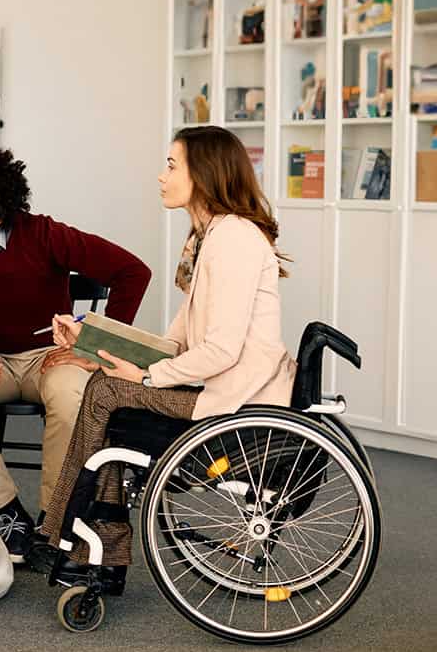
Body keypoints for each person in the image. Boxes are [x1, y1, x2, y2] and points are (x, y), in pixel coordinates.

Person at [42, 125, 296, 590]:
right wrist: (91, 341)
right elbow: (174, 343)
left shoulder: (233, 239)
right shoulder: (209, 236)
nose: (161, 176)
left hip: (236, 400)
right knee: (109, 391)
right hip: (219, 388)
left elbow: (221, 350)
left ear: (203, 173)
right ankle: (89, 542)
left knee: (106, 394)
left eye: (172, 165)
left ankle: (74, 536)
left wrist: (147, 377)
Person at [0, 140, 152, 563]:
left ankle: (55, 520)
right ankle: (7, 514)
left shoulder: (42, 234)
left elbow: (132, 271)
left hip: (50, 357)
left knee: (71, 391)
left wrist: (97, 350)